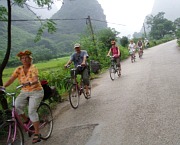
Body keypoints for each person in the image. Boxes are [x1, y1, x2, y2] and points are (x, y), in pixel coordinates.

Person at [1, 50, 44, 144]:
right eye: (22, 58)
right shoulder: (19, 69)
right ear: (21, 60)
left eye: (26, 58)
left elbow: (36, 79)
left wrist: (31, 82)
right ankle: (27, 120)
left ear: (30, 59)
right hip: (24, 91)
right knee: (16, 106)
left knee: (31, 111)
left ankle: (37, 133)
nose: (24, 59)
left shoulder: (33, 68)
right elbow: (11, 79)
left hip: (36, 91)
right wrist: (3, 86)